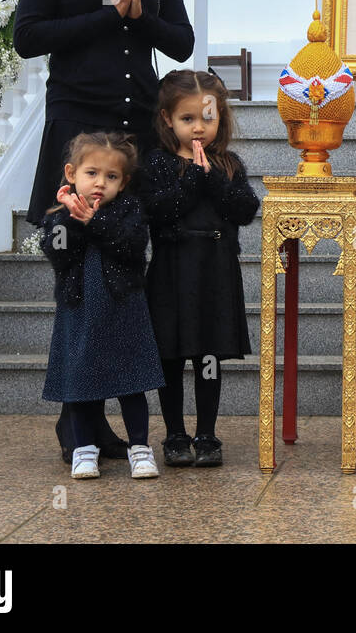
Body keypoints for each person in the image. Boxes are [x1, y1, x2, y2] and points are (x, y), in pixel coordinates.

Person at [13, 0, 194, 463]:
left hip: (133, 137)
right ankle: (77, 424)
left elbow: (180, 43)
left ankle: (100, 423)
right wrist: (111, 13)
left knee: (122, 278)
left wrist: (138, 11)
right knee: (76, 279)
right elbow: (27, 36)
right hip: (78, 133)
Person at [141, 70, 259, 468]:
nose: (198, 127)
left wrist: (212, 180)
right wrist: (192, 177)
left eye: (207, 118)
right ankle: (175, 433)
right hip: (172, 273)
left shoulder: (227, 164)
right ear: (167, 120)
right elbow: (157, 211)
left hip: (214, 274)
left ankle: (207, 433)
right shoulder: (158, 163)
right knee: (169, 357)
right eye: (187, 119)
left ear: (220, 119)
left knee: (208, 356)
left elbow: (245, 210)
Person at [40, 133, 165, 479]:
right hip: (79, 312)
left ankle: (140, 447)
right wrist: (70, 219)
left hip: (123, 310)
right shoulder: (58, 215)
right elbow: (58, 253)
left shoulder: (130, 211)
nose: (100, 183)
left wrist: (94, 221)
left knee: (131, 383)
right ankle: (83, 449)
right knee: (81, 385)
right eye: (91, 173)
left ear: (123, 182)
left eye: (111, 177)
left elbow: (131, 245)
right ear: (71, 173)